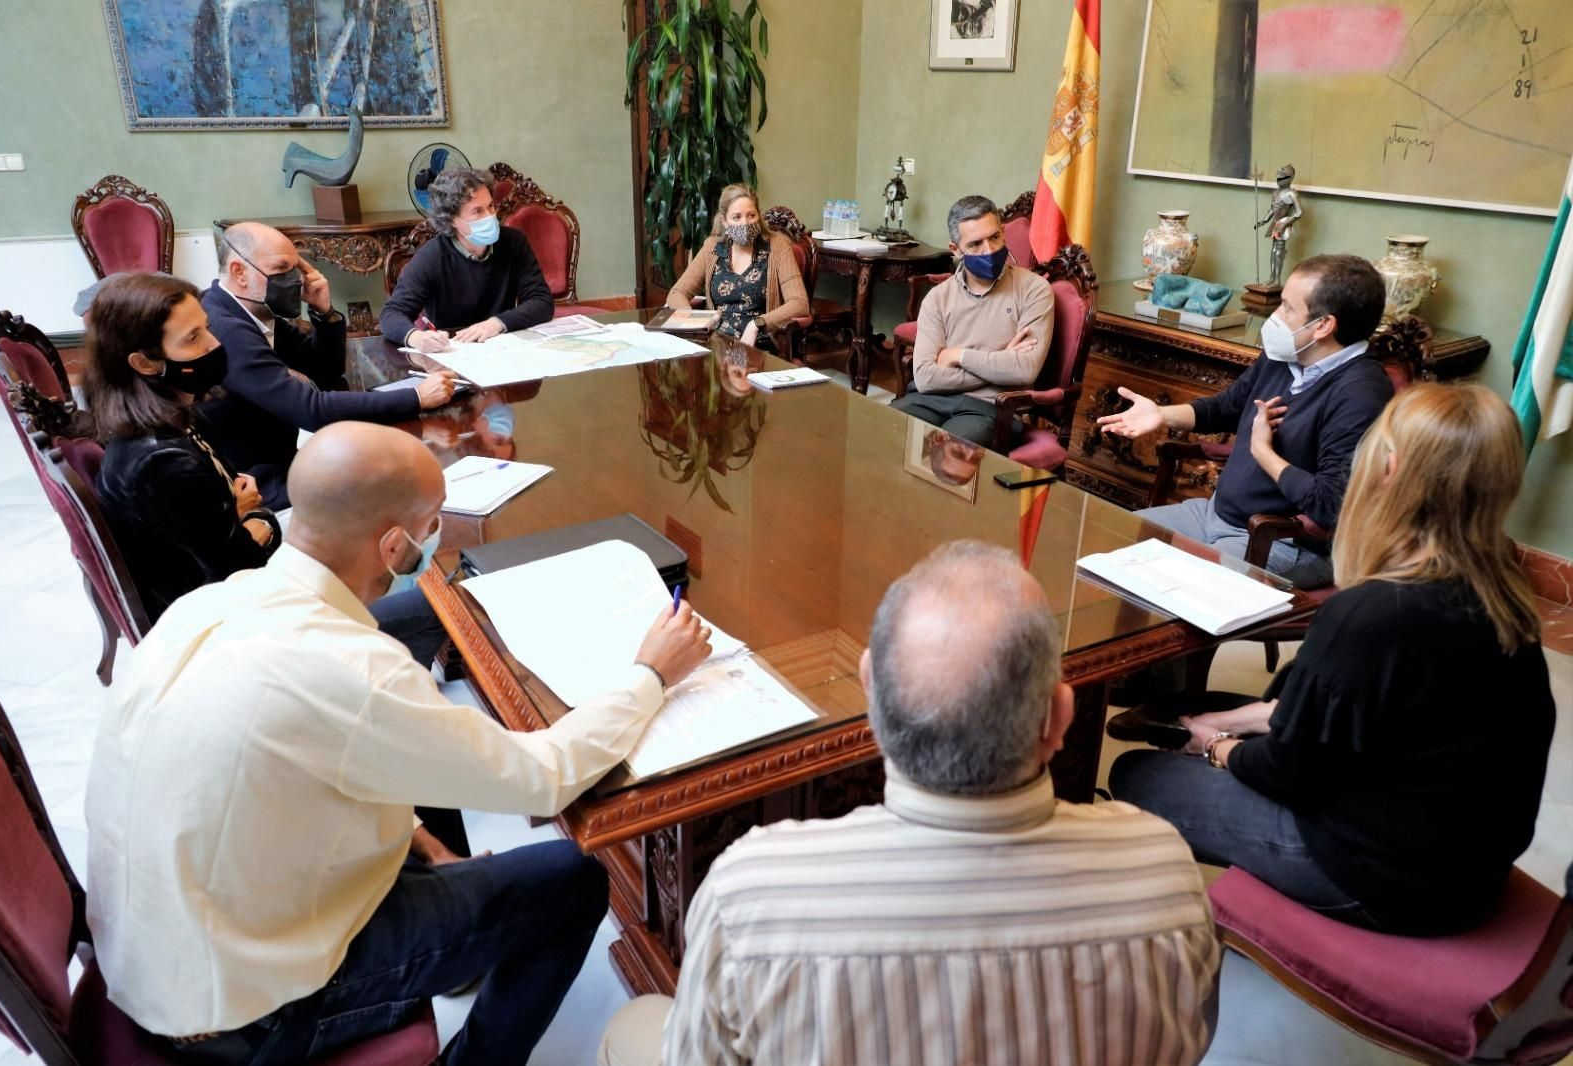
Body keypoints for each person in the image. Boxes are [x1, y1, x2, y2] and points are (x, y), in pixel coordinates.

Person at [85, 421, 713, 1066]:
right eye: (432, 522)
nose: (435, 536)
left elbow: (315, 760)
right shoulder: (353, 668)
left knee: (448, 858)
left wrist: (424, 841)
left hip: (167, 957)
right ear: (393, 544)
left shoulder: (210, 606)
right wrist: (652, 674)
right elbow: (544, 777)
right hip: (244, 1015)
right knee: (570, 882)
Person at [599, 541, 1222, 1066]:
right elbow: (1188, 1042)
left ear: (871, 692)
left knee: (636, 1025)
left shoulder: (748, 897)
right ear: (1059, 718)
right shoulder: (1165, 873)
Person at [1110, 383, 1555, 936]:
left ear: (1390, 469)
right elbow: (1355, 708)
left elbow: (1287, 772)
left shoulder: (1373, 612)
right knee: (1199, 706)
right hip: (1465, 866)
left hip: (1384, 881)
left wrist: (1216, 746)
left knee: (1137, 773)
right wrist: (1226, 719)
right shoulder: (1504, 595)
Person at [1099, 254, 1393, 581]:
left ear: (1323, 326)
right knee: (1110, 545)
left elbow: (1330, 505)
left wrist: (1263, 453)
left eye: (1287, 307)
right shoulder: (1286, 355)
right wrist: (1161, 413)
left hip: (1282, 541)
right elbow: (1227, 407)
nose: (1275, 316)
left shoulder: (1361, 393)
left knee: (1172, 584)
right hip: (1212, 514)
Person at [201, 221, 456, 509]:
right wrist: (416, 397)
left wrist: (324, 311)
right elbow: (311, 409)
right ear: (239, 271)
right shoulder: (227, 329)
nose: (295, 279)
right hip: (255, 484)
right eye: (282, 268)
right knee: (392, 479)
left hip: (279, 460)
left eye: (296, 268)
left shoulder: (254, 313)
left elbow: (327, 369)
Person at [84, 272, 279, 623]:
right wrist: (256, 518)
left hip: (217, 585)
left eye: (206, 328)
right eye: (192, 338)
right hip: (212, 617)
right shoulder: (162, 463)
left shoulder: (171, 414)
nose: (213, 344)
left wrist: (237, 513)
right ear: (144, 363)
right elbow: (240, 565)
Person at [890, 195, 1055, 447]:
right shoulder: (938, 298)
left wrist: (958, 356)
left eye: (994, 237)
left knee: (944, 451)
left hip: (990, 409)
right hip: (930, 400)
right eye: (976, 244)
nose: (989, 250)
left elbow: (1024, 370)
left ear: (1003, 233)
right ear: (955, 249)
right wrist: (1000, 360)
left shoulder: (1035, 290)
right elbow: (924, 378)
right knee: (882, 434)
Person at [381, 167, 555, 353]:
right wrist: (415, 337)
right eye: (477, 211)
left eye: (490, 206)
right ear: (452, 220)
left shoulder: (514, 242)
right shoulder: (432, 256)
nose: (490, 216)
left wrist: (496, 323)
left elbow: (541, 301)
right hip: (453, 351)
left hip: (502, 346)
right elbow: (391, 314)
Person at [664, 183, 810, 353]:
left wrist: (756, 324)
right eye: (736, 217)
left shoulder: (777, 246)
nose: (745, 223)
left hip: (757, 344)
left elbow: (799, 303)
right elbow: (677, 293)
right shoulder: (712, 247)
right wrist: (693, 320)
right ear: (724, 221)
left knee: (738, 365)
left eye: (751, 215)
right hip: (716, 344)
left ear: (759, 216)